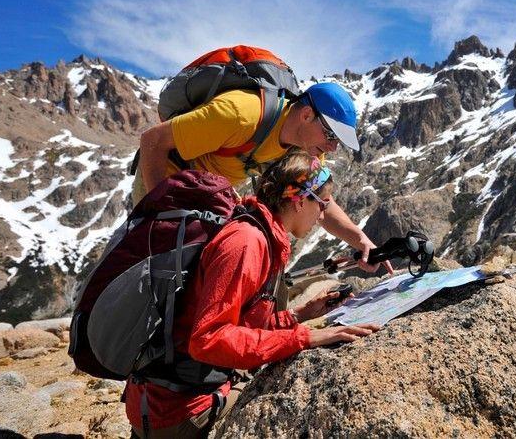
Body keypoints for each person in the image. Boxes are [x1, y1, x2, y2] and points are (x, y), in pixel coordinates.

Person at [125, 150, 380, 438]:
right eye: (321, 204)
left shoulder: (260, 229)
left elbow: (239, 326)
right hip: (177, 411)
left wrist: (299, 315)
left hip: (172, 397)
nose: (323, 215)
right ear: (297, 201)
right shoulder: (247, 242)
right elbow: (208, 339)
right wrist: (304, 338)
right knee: (293, 405)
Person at [137, 79, 391, 274]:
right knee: (164, 271)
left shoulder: (306, 149)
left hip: (211, 193)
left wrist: (361, 240)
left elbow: (319, 202)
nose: (334, 147)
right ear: (306, 115)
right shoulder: (240, 114)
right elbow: (153, 141)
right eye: (332, 136)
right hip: (165, 177)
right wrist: (161, 211)